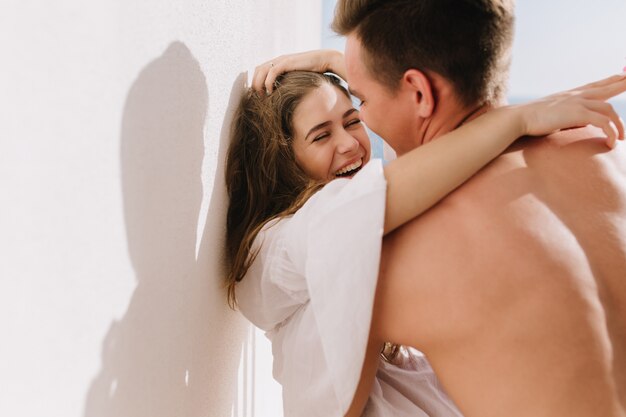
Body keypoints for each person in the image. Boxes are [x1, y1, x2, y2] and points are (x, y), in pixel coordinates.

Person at [251, 1, 626, 416]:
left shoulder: (392, 253)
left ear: (418, 92)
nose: (361, 129)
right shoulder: (605, 150)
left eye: (361, 103)